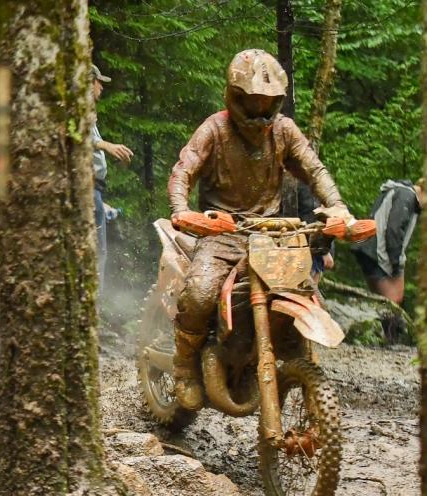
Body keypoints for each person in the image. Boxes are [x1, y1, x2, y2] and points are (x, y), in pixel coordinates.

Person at [166, 49, 357, 411]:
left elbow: (314, 170)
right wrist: (183, 211)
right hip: (222, 230)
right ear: (236, 96)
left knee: (307, 289)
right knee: (202, 291)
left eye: (268, 100)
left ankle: (284, 367)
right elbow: (183, 170)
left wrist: (338, 207)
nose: (260, 108)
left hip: (272, 236)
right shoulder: (215, 128)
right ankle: (183, 366)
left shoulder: (283, 130)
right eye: (253, 100)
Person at [90, 64, 133, 289]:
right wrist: (106, 145)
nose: (102, 88)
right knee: (97, 253)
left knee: (99, 252)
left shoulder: (87, 115)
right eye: (99, 83)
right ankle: (91, 311)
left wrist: (100, 200)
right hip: (89, 191)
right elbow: (76, 140)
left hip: (93, 190)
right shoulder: (75, 113)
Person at [353, 178, 423, 305]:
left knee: (382, 301)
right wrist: (396, 265)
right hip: (376, 253)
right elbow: (393, 231)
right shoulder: (406, 196)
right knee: (392, 302)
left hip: (369, 249)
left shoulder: (399, 192)